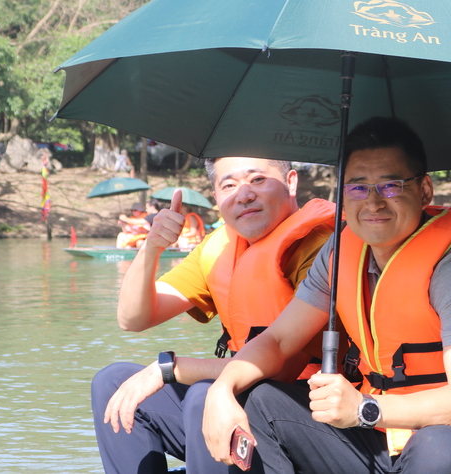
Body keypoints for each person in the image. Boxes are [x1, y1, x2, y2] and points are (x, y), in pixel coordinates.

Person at [201, 117, 451, 473]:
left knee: (435, 445)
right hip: (383, 436)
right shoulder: (339, 252)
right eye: (358, 188)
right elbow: (279, 340)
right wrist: (223, 387)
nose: (373, 203)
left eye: (390, 186)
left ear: (425, 190)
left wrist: (362, 408)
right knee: (262, 400)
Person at [90, 156, 336, 473]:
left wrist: (169, 369)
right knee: (113, 382)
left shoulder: (321, 248)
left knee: (203, 395)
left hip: (306, 413)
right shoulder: (218, 247)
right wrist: (151, 247)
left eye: (257, 180)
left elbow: (282, 370)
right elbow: (132, 318)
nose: (244, 194)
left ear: (290, 182)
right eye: (229, 185)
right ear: (217, 197)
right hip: (239, 391)